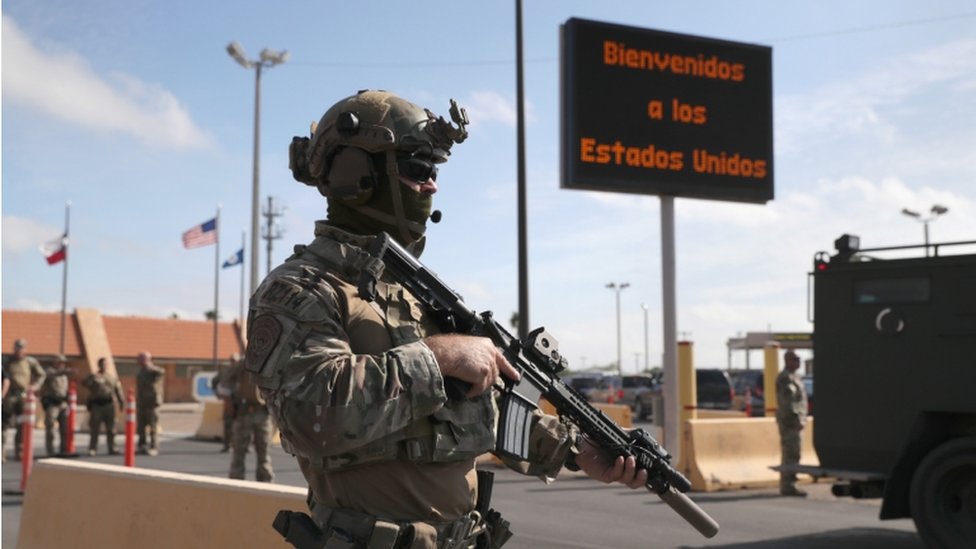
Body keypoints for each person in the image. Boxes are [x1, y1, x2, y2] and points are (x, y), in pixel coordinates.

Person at [246, 90, 647, 548]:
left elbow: (478, 412)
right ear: (357, 175)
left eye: (434, 172)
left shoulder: (413, 297)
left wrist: (575, 451)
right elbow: (309, 414)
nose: (432, 186)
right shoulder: (304, 288)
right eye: (418, 170)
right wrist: (439, 357)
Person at [224, 353, 274, 482]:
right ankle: (236, 484)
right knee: (239, 452)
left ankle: (266, 485)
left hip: (262, 412)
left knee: (264, 452)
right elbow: (227, 378)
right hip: (244, 412)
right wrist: (229, 398)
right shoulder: (245, 362)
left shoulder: (272, 361)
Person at [2, 339, 46, 461]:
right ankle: (1, 452)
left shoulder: (30, 362)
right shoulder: (6, 361)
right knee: (3, 425)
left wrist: (35, 386)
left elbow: (41, 374)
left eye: (22, 348)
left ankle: (19, 452)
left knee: (22, 426)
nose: (19, 350)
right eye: (17, 348)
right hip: (9, 397)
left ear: (25, 349)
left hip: (23, 397)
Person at [776, 349, 809, 496]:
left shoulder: (794, 377)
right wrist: (796, 419)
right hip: (790, 422)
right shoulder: (786, 378)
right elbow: (788, 402)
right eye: (795, 359)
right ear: (788, 360)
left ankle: (789, 484)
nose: (798, 361)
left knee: (793, 453)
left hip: (794, 421)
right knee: (791, 453)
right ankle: (788, 486)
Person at [83, 357, 124, 456]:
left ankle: (112, 447)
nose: (104, 366)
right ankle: (93, 448)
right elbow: (84, 383)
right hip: (97, 405)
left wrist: (121, 402)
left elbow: (118, 390)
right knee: (95, 428)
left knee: (111, 429)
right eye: (102, 364)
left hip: (109, 405)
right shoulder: (94, 377)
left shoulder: (111, 378)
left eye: (105, 364)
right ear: (99, 365)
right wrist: (92, 379)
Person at [40, 354, 73, 456]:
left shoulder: (64, 376)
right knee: (50, 428)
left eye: (63, 363)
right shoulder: (49, 371)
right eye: (59, 362)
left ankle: (63, 450)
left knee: (64, 428)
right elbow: (52, 375)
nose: (61, 364)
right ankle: (50, 451)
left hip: (62, 403)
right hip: (52, 404)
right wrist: (65, 371)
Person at [135, 351, 165, 456]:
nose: (138, 361)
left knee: (153, 426)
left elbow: (161, 372)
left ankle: (154, 447)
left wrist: (150, 366)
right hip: (142, 403)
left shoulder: (153, 371)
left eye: (141, 359)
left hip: (152, 403)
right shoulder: (141, 372)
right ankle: (142, 446)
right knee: (141, 427)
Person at [211, 359, 235, 452]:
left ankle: (243, 446)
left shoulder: (242, 370)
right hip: (228, 400)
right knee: (228, 424)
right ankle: (227, 445)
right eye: (232, 360)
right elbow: (215, 380)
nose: (234, 362)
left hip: (241, 401)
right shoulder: (225, 372)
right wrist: (216, 393)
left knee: (243, 425)